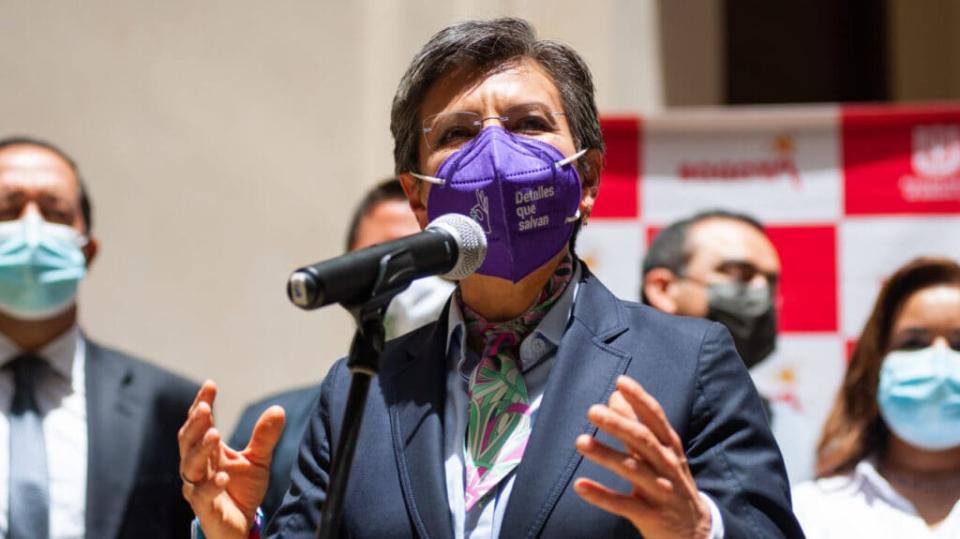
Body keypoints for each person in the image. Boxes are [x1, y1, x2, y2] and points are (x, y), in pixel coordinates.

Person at [179, 18, 802, 538]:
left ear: (585, 181)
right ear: (419, 198)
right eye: (458, 132)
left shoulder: (687, 362)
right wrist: (238, 533)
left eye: (530, 124)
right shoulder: (360, 387)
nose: (496, 154)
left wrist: (700, 529)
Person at [0, 136, 198, 538]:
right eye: (7, 209)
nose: (31, 229)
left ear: (87, 252)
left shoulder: (166, 403)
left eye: (55, 212)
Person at [227, 178, 454, 520]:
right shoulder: (276, 429)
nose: (414, 278)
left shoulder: (486, 414)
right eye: (390, 256)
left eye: (429, 257)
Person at [793, 257, 960, 537]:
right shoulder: (809, 509)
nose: (939, 361)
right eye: (913, 343)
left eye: (959, 344)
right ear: (876, 362)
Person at [641, 210, 781, 374]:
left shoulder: (760, 400)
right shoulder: (613, 393)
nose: (761, 289)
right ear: (663, 289)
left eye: (771, 281)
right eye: (738, 274)